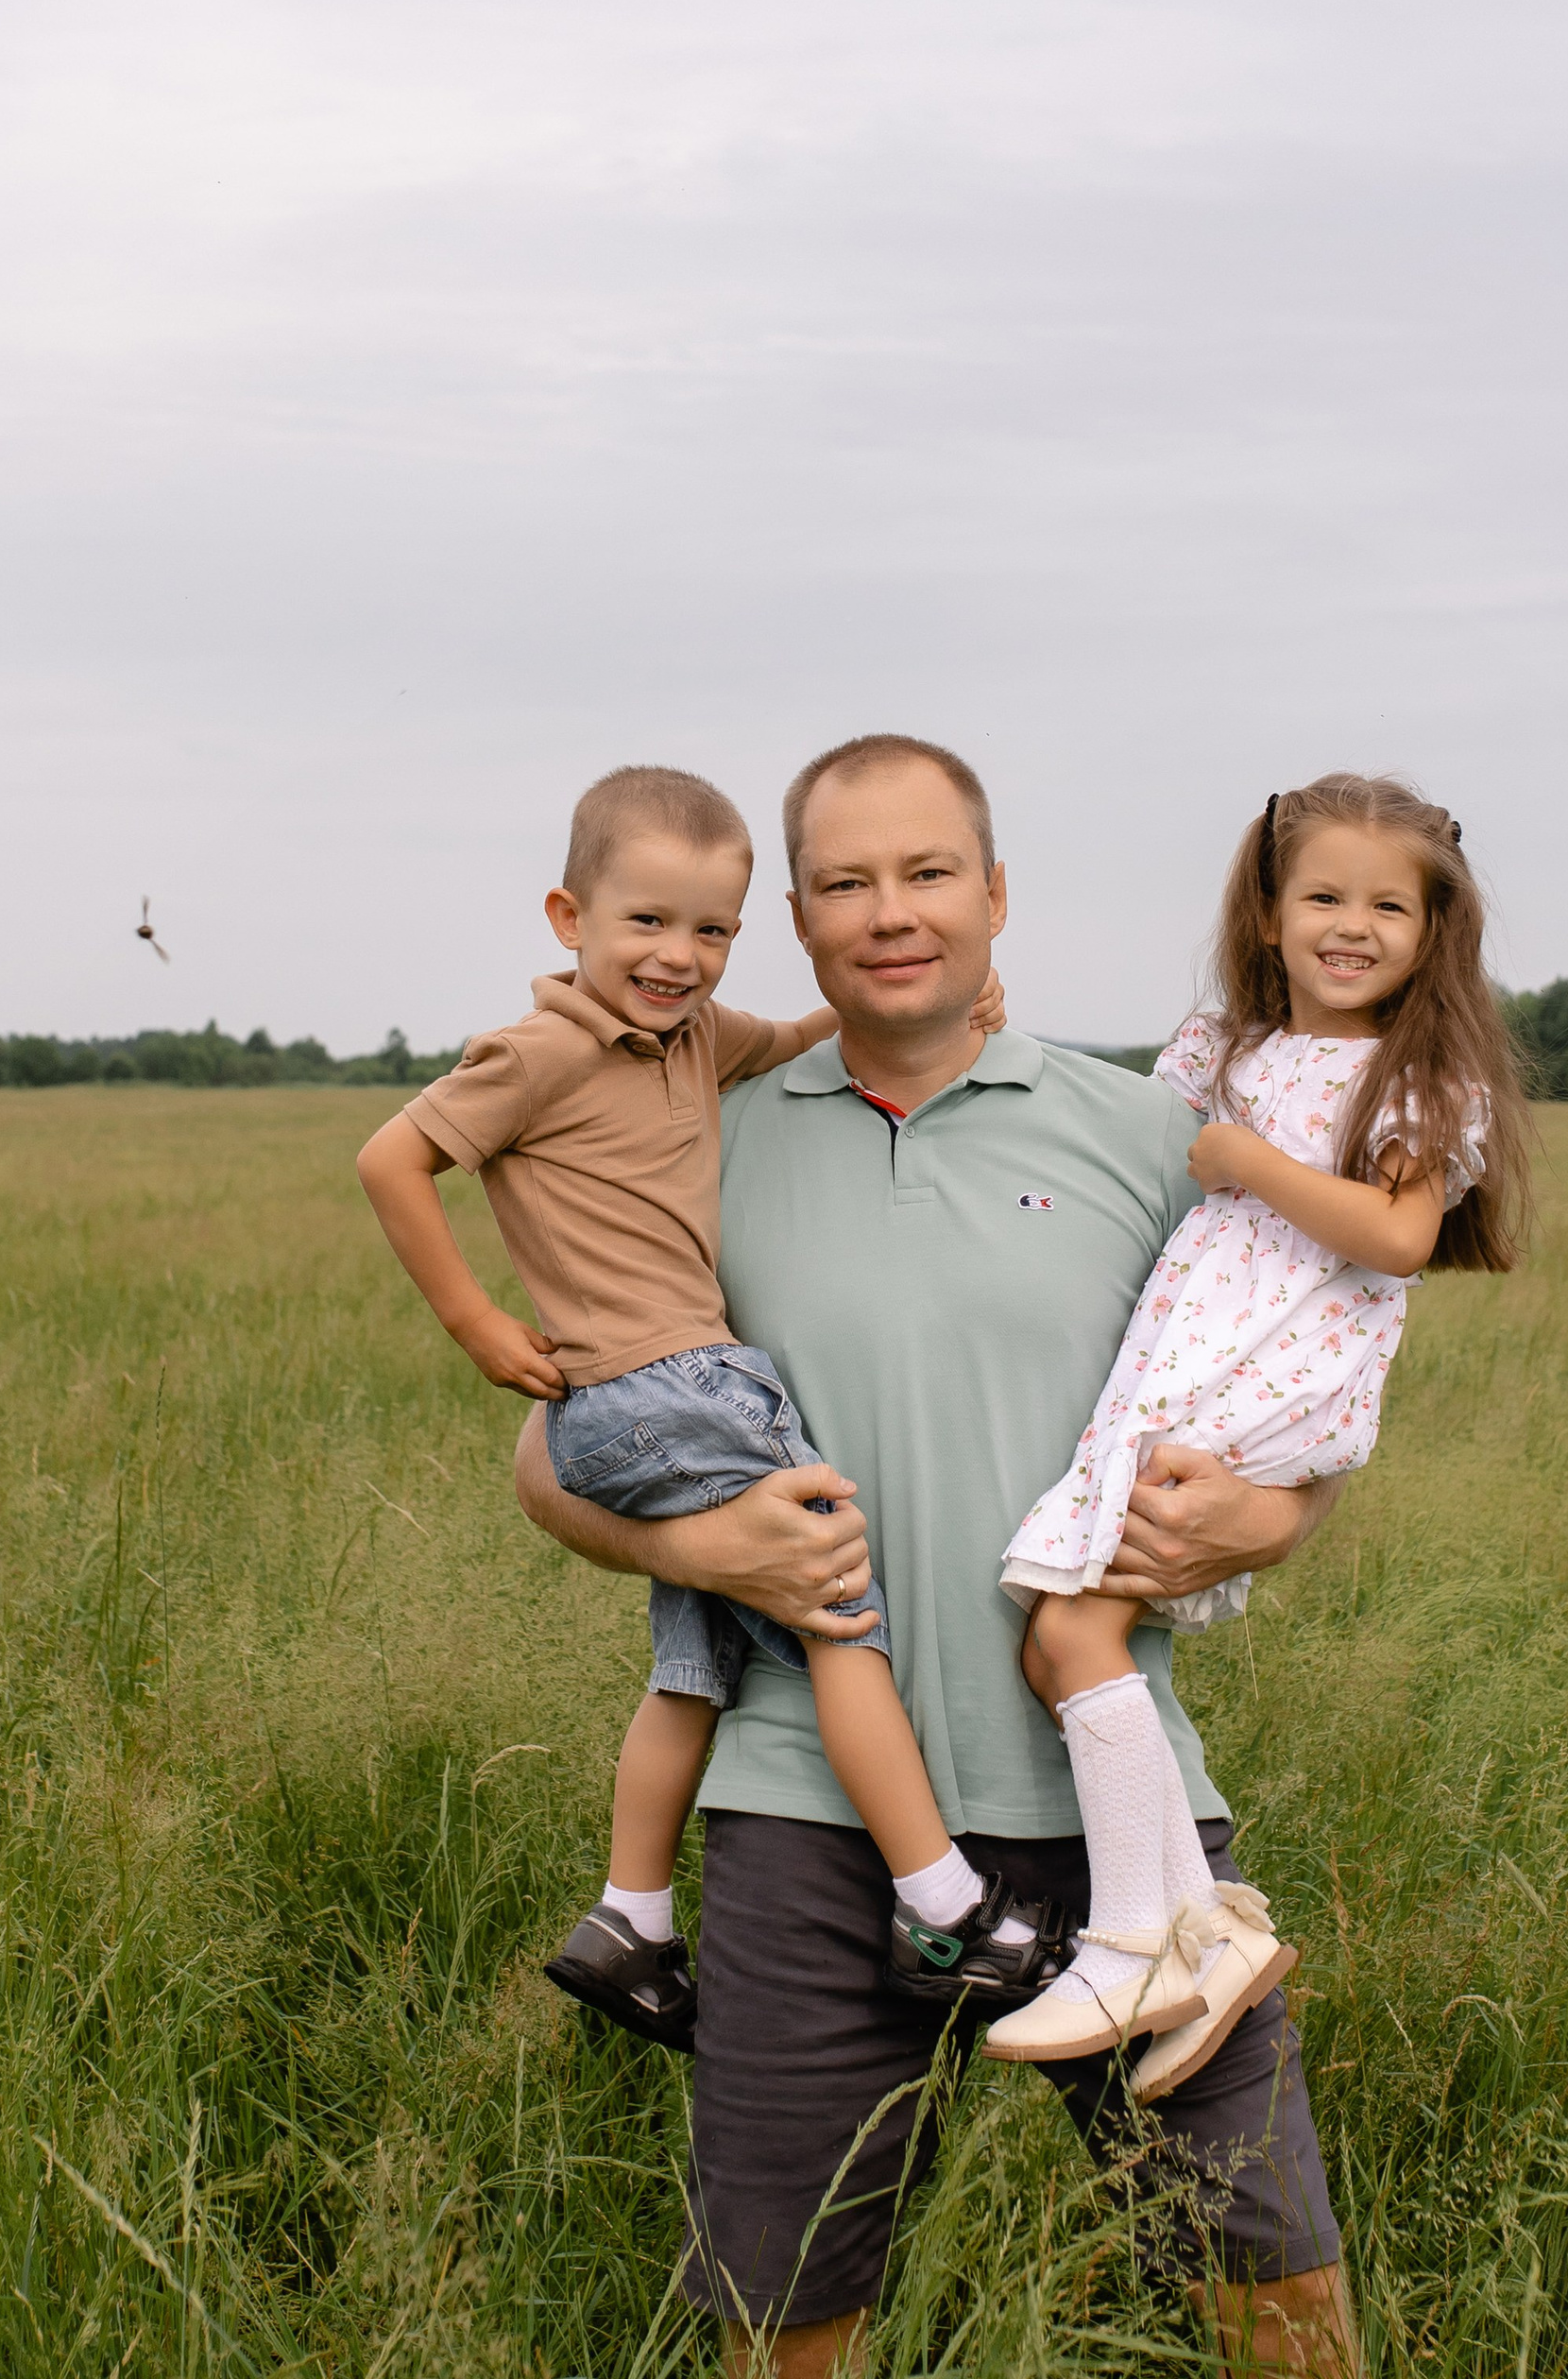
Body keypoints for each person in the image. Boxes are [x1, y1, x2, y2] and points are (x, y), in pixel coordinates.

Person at [513, 736, 1360, 2376]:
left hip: (1121, 1825)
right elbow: (549, 1454)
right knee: (785, 2318)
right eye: (843, 883)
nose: (888, 914)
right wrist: (701, 1542)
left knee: (1277, 2288)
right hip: (798, 1828)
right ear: (801, 922)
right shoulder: (711, 1136)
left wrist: (1270, 1521)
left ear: (992, 893)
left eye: (924, 874)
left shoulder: (1150, 1132)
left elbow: (1294, 1407)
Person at [355, 766, 1056, 2056]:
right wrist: (472, 1320)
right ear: (568, 916)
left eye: (712, 930)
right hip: (673, 1384)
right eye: (647, 923)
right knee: (841, 1613)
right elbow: (391, 1157)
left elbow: (799, 1042)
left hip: (654, 1404)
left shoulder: (697, 1037)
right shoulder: (541, 1050)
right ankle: (943, 1909)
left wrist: (964, 1013)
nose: (680, 958)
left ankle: (629, 1919)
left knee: (699, 1667)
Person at [987, 775, 1531, 2091]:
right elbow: (1122, 1125)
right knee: (1056, 1649)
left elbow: (1399, 1236)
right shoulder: (1225, 1046)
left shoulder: (1420, 1076)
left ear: (1432, 928)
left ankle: (1133, 1944)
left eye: (1387, 906)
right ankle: (1202, 1935)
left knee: (1069, 1629)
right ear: (1272, 910)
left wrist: (1253, 1167)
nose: (1352, 926)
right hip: (1190, 1352)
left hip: (1267, 1365)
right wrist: (999, 1033)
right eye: (1324, 897)